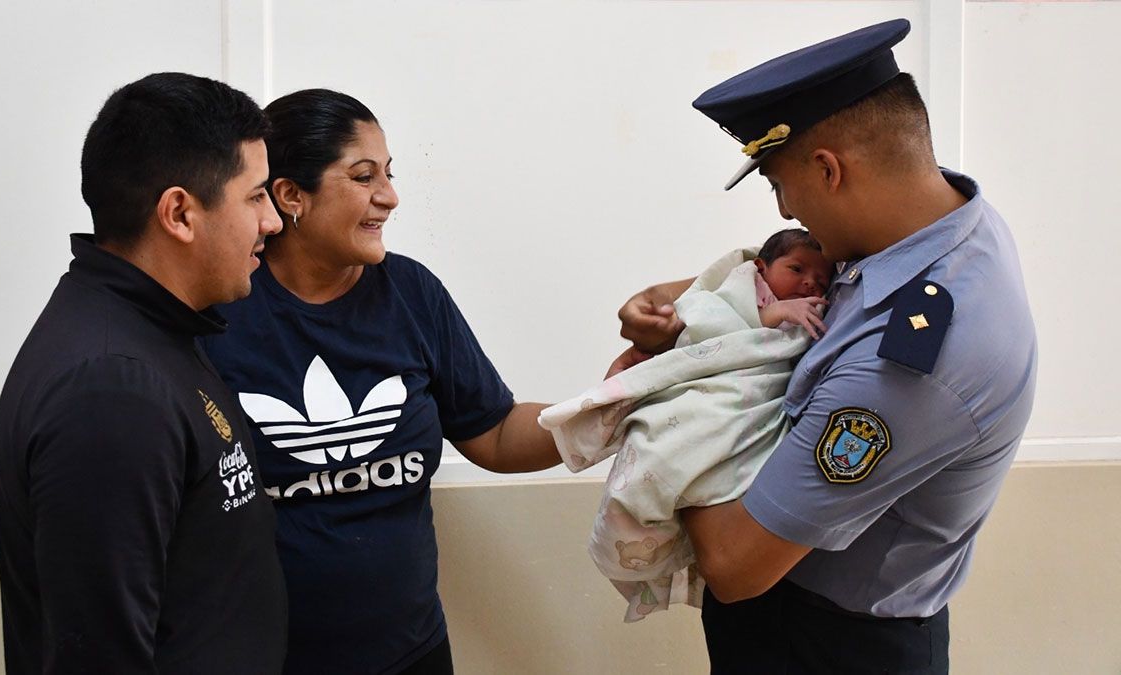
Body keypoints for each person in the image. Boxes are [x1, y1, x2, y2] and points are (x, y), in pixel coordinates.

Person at [614, 19, 1036, 673]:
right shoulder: (936, 222)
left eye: (779, 184)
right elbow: (816, 277)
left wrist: (674, 401)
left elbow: (734, 566)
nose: (785, 212)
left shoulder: (908, 365)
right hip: (804, 614)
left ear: (829, 169)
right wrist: (678, 303)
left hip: (830, 642)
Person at [200, 88, 560, 674]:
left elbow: (493, 433)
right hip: (263, 658)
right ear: (291, 196)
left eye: (387, 175)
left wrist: (610, 409)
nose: (389, 197)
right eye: (363, 176)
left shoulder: (412, 293)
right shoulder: (224, 309)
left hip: (410, 653)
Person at [0, 72, 288, 674]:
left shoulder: (156, 331)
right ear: (179, 213)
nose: (274, 222)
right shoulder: (111, 388)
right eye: (256, 196)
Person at [539, 229, 833, 622]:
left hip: (753, 402)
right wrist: (774, 315)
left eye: (820, 278)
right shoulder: (742, 287)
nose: (809, 282)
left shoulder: (823, 299)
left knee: (714, 463)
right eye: (797, 269)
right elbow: (708, 324)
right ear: (761, 268)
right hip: (711, 385)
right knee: (663, 451)